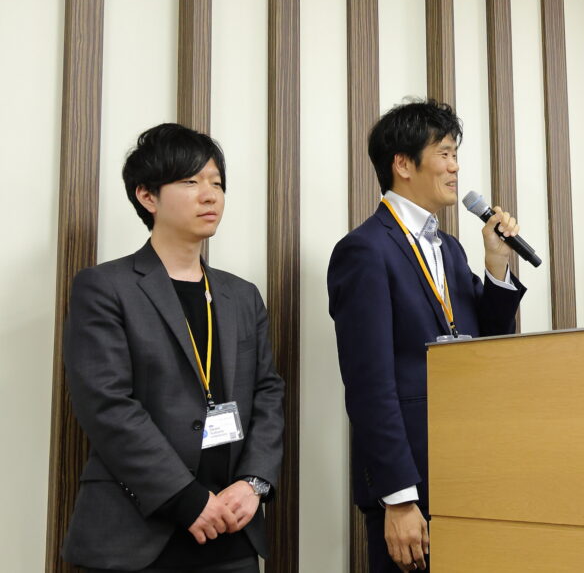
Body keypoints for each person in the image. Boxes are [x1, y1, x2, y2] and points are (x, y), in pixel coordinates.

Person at [62, 124, 285, 573]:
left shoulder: (241, 295)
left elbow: (268, 393)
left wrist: (254, 482)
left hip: (232, 533)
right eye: (190, 181)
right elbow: (106, 405)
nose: (210, 195)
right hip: (137, 536)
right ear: (148, 196)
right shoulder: (105, 287)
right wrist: (183, 498)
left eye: (217, 183)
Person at [327, 99, 526, 572]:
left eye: (456, 154)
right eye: (445, 153)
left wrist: (497, 266)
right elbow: (369, 384)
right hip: (410, 483)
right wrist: (398, 498)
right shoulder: (364, 250)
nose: (456, 168)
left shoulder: (451, 249)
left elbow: (486, 348)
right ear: (402, 164)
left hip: (467, 467)